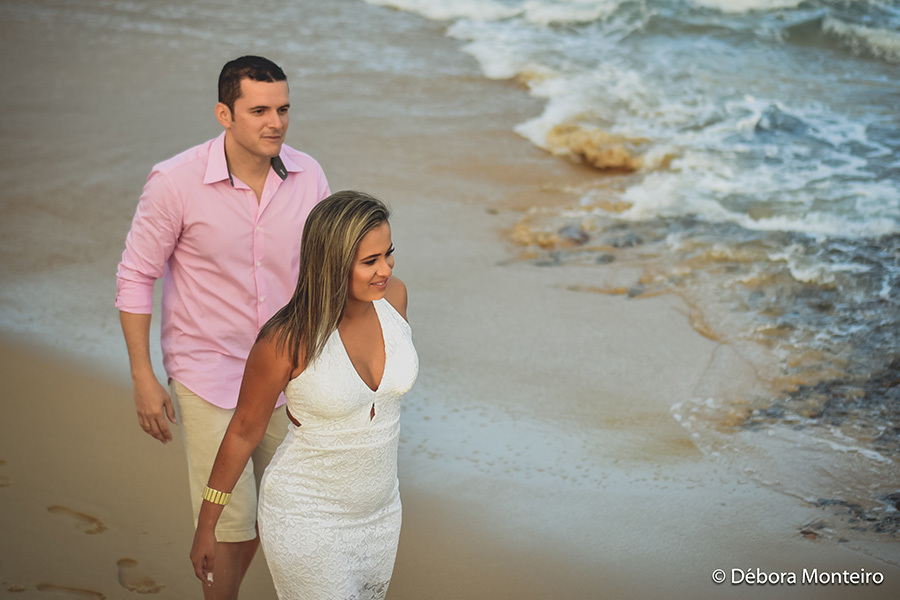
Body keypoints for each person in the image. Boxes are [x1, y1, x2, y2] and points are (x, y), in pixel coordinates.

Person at [115, 55, 330, 599]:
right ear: (224, 114)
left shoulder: (310, 175)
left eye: (282, 109)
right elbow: (137, 276)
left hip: (287, 372)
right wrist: (143, 376)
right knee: (227, 523)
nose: (275, 122)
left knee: (280, 515)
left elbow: (326, 271)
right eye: (258, 110)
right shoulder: (175, 183)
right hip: (207, 373)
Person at [190, 191, 418, 599]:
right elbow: (243, 431)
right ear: (332, 262)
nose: (385, 269)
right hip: (307, 517)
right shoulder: (285, 341)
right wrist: (208, 525)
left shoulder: (394, 299)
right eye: (370, 261)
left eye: (389, 253)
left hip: (381, 515)